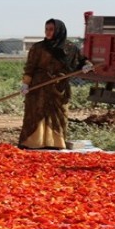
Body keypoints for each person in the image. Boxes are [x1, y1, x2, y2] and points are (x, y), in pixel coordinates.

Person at [19, 18, 93, 150]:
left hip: (59, 87)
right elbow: (30, 67)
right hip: (39, 86)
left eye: (51, 29)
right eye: (46, 29)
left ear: (59, 30)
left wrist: (87, 66)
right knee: (36, 112)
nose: (48, 32)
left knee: (58, 115)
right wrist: (26, 83)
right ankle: (33, 142)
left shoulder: (70, 48)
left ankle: (55, 142)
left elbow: (82, 61)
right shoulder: (38, 48)